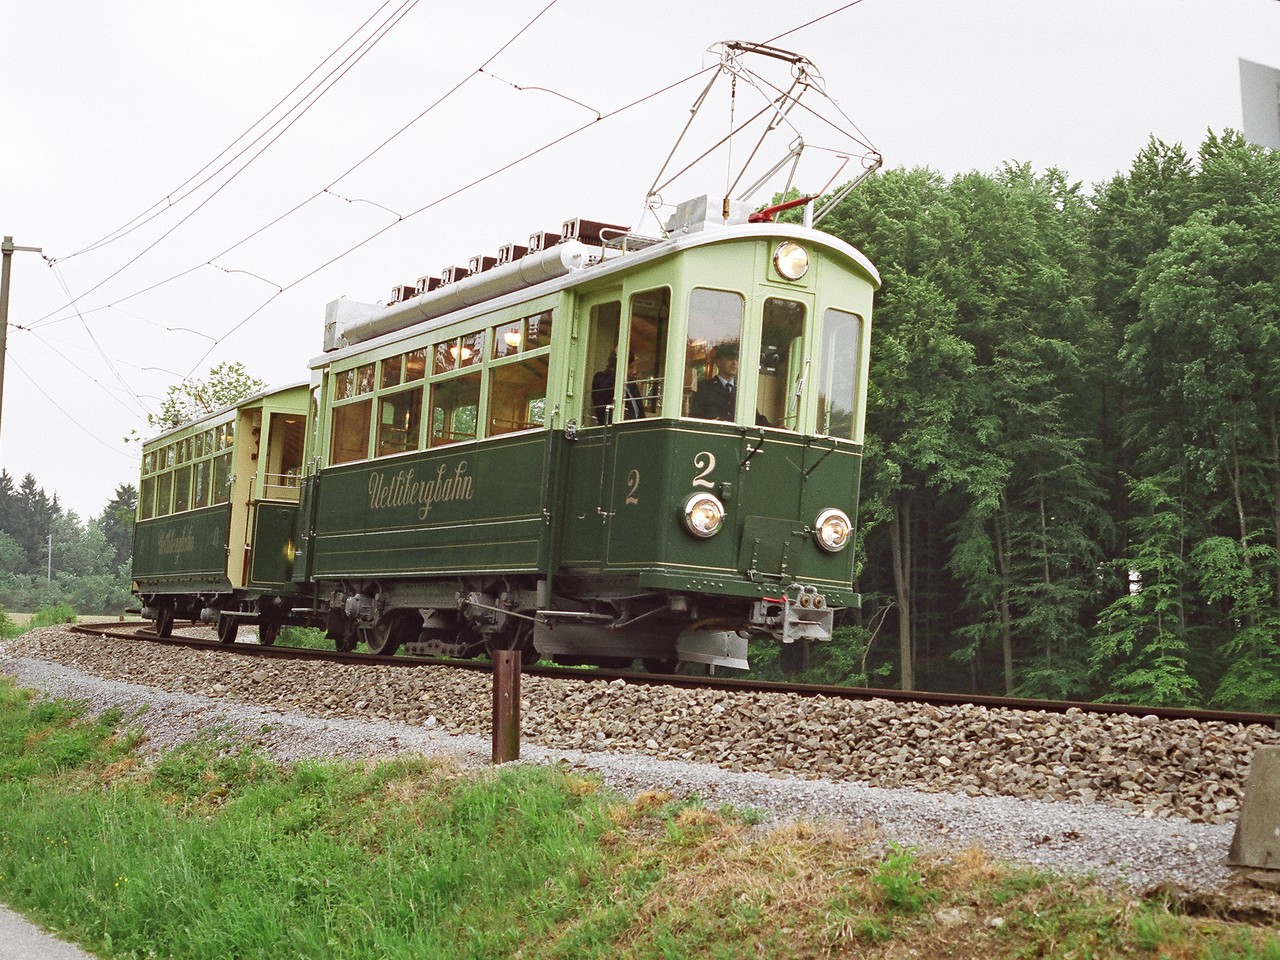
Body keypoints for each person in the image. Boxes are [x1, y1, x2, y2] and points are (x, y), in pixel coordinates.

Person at [689, 342, 739, 421]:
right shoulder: (703, 388)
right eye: (730, 358)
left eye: (737, 359)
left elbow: (756, 419)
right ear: (718, 362)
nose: (734, 363)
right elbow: (694, 417)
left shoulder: (742, 392)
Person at [591, 352, 645, 424]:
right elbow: (608, 388)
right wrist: (619, 359)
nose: (631, 372)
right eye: (629, 368)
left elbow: (640, 410)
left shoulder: (632, 384)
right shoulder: (601, 378)